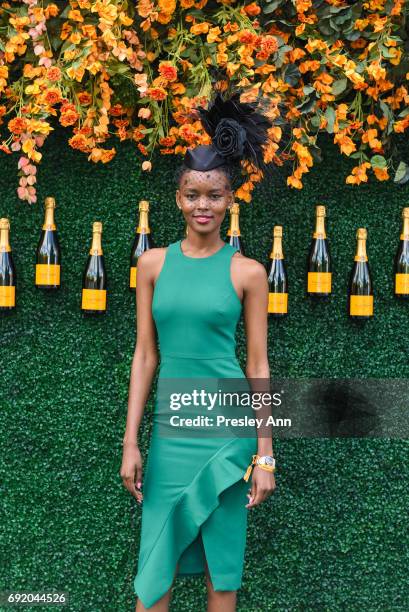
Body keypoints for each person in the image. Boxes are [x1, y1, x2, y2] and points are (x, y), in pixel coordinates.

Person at [121, 88, 277, 612]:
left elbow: (257, 366)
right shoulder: (153, 265)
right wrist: (131, 442)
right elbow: (146, 355)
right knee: (156, 565)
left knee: (221, 570)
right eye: (193, 194)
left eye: (213, 195)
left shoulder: (248, 272)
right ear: (178, 198)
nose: (202, 205)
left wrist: (265, 455)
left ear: (229, 199)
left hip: (227, 432)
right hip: (170, 432)